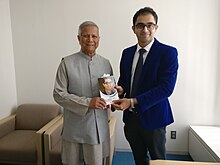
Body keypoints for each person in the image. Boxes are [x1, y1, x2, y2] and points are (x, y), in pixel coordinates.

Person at [112, 7, 179, 165]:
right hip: (131, 120)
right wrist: (121, 91)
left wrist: (133, 101)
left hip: (154, 119)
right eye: (140, 25)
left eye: (150, 25)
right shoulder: (127, 53)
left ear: (156, 27)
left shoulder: (168, 53)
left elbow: (166, 88)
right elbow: (125, 82)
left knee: (158, 161)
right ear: (134, 28)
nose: (145, 29)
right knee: (139, 159)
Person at [53, 21, 113, 165]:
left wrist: (113, 95)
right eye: (86, 36)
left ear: (99, 39)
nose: (90, 40)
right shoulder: (66, 63)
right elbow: (58, 94)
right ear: (79, 38)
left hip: (97, 128)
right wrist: (87, 102)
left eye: (94, 36)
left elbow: (109, 93)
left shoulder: (106, 63)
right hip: (74, 127)